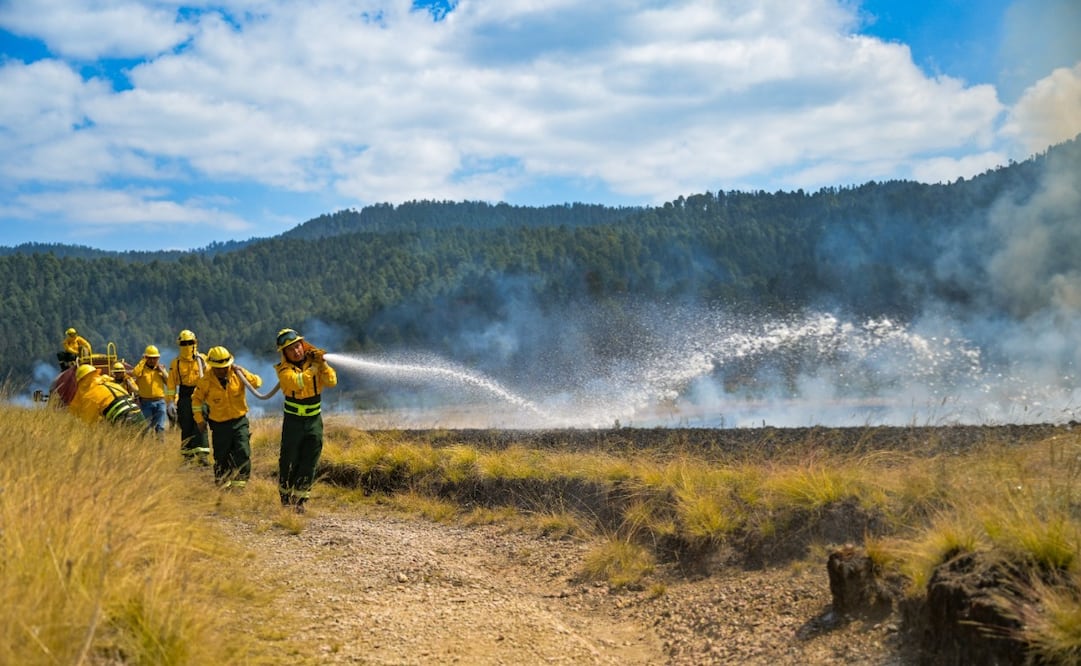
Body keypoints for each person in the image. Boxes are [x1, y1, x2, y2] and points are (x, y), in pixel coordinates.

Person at [274, 328, 337, 513]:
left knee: (310, 460)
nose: (296, 351)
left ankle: (299, 501)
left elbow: (332, 381)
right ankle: (285, 499)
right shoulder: (284, 371)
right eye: (291, 349)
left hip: (314, 420)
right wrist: (315, 368)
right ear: (284, 353)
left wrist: (323, 365)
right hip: (293, 422)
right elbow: (297, 382)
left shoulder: (315, 363)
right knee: (289, 459)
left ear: (303, 345)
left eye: (298, 346)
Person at [192, 346, 262, 489]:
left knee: (242, 451)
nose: (223, 370)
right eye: (219, 368)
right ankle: (223, 484)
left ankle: (239, 486)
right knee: (222, 456)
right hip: (219, 425)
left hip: (239, 421)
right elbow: (196, 400)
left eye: (226, 366)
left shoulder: (237, 374)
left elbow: (257, 383)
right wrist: (199, 420)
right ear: (212, 366)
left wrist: (243, 373)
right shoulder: (205, 381)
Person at [167, 329, 210, 465]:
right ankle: (187, 457)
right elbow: (171, 384)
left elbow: (210, 377)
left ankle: (202, 456)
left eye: (190, 343)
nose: (187, 346)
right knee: (186, 425)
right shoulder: (176, 363)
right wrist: (170, 403)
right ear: (180, 345)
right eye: (184, 343)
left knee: (200, 424)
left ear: (195, 343)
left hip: (200, 395)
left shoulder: (202, 359)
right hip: (184, 396)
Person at [68, 363, 145, 428]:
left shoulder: (90, 395)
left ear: (82, 381)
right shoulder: (111, 384)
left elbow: (88, 423)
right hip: (139, 415)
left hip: (124, 418)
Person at [131, 345, 171, 439]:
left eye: (155, 358)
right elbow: (135, 373)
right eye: (150, 358)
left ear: (158, 358)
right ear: (146, 358)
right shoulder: (141, 370)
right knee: (145, 427)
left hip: (160, 402)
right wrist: (142, 361)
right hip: (146, 403)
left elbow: (170, 383)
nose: (153, 360)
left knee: (160, 427)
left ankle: (160, 447)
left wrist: (163, 371)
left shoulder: (160, 370)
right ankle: (145, 446)